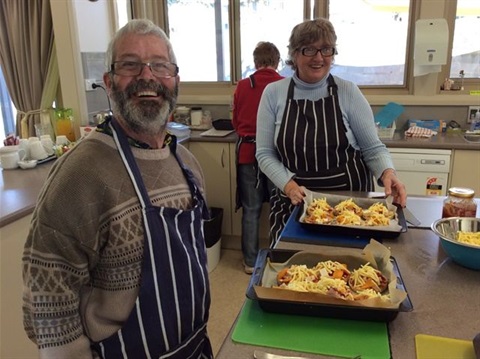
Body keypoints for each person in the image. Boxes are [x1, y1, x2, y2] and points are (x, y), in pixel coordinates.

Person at [22, 19, 213, 358]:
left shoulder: (186, 163)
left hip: (194, 348)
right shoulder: (79, 176)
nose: (147, 76)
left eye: (160, 65)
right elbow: (47, 301)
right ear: (109, 83)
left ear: (175, 80)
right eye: (130, 65)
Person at [255, 18, 407, 244]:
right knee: (291, 268)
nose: (319, 58)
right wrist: (287, 185)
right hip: (294, 200)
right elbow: (265, 153)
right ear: (294, 55)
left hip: (350, 206)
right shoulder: (273, 93)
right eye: (309, 50)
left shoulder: (348, 92)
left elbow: (373, 148)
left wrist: (387, 172)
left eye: (326, 49)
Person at [232, 41, 283, 274]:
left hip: (248, 153)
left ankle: (250, 262)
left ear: (255, 62)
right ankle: (279, 256)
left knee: (251, 209)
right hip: (276, 155)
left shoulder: (243, 85)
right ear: (277, 61)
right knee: (279, 206)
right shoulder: (285, 85)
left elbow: (235, 121)